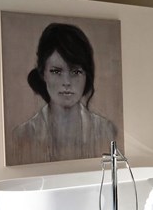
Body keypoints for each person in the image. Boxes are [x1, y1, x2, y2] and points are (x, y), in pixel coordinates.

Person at [12, 23, 117, 163]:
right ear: (43, 74)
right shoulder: (23, 135)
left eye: (76, 71)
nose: (67, 82)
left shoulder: (106, 130)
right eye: (56, 71)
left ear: (87, 75)